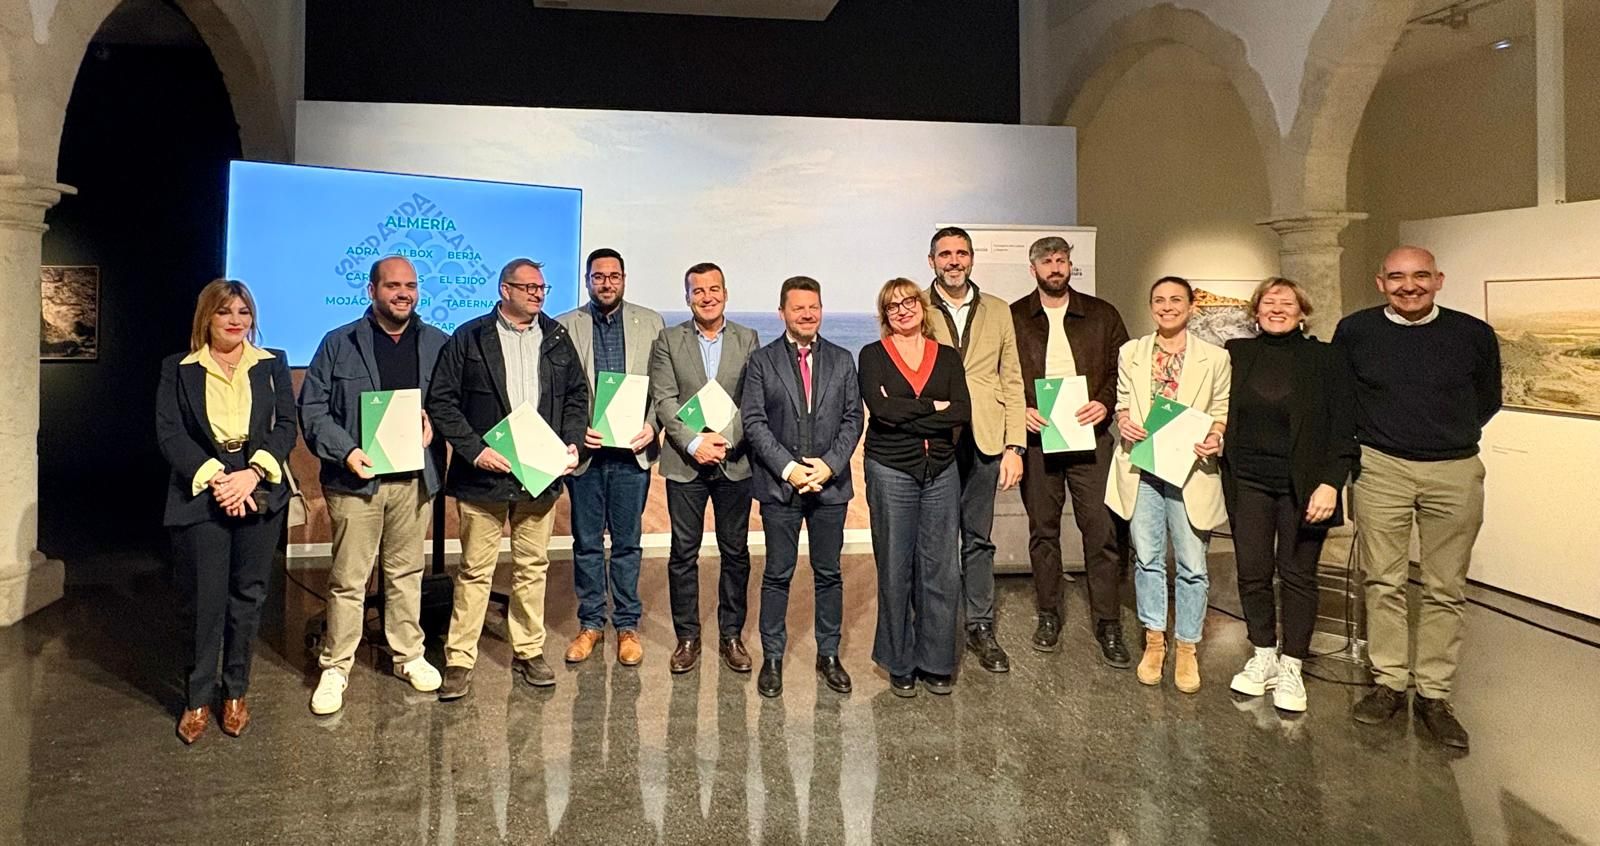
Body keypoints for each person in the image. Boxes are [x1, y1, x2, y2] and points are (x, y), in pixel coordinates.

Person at [1335, 246, 1500, 750]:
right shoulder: (1356, 331)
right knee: (1382, 579)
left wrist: (1445, 436)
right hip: (1381, 466)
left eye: (1421, 276)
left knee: (1444, 585)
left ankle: (1433, 692)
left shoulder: (1472, 334)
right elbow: (1342, 396)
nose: (1410, 286)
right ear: (1380, 281)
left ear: (1439, 280)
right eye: (1398, 277)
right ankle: (1388, 681)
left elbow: (1488, 397)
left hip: (1453, 469)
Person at [425, 257, 587, 701]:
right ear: (505, 290)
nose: (537, 294)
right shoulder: (470, 337)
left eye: (542, 287)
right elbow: (442, 401)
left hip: (540, 476)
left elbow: (577, 396)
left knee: (533, 568)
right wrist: (476, 452)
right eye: (529, 287)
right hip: (485, 477)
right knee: (476, 570)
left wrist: (572, 442)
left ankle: (529, 650)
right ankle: (459, 659)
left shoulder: (556, 337)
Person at [297, 255, 449, 715]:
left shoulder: (439, 343)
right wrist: (346, 450)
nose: (403, 293)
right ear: (372, 290)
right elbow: (314, 410)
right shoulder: (338, 343)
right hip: (355, 482)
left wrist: (434, 426)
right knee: (349, 579)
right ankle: (336, 665)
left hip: (413, 482)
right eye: (393, 285)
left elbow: (451, 404)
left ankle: (409, 654)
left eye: (411, 285)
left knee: (407, 574)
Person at [156, 279, 296, 744]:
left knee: (247, 597)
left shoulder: (272, 364)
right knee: (203, 600)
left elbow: (286, 427)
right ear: (207, 317)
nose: (236, 320)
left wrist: (252, 475)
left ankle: (235, 692)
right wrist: (220, 478)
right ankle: (197, 698)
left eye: (243, 312)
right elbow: (171, 435)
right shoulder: (178, 368)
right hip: (203, 488)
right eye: (225, 312)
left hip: (257, 483)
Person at [1222, 278, 1357, 713]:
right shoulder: (1237, 354)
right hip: (1249, 483)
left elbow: (1343, 427)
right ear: (1255, 310)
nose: (1276, 309)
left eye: (1287, 302)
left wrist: (1331, 482)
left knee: (1298, 575)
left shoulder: (1325, 358)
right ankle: (1262, 654)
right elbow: (1216, 409)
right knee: (1252, 572)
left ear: (1303, 311)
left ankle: (1293, 664)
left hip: (1305, 487)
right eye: (1268, 302)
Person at [1010, 237, 1132, 666]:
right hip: (1038, 440)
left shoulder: (1102, 314)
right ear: (1033, 269)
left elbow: (1124, 368)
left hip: (1090, 438)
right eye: (1046, 261)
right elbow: (1001, 373)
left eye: (1061, 259)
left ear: (1070, 265)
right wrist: (1019, 410)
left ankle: (1109, 623)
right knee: (1043, 532)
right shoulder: (1014, 318)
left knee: (1101, 532)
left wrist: (1106, 400)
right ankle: (1048, 614)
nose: (1055, 267)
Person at [740, 275, 863, 698]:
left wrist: (828, 466)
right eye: (798, 308)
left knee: (829, 573)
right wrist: (789, 469)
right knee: (777, 573)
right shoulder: (761, 361)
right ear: (782, 313)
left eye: (814, 307)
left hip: (830, 487)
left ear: (821, 310)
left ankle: (828, 654)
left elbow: (853, 419)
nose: (807, 314)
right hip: (781, 488)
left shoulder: (844, 360)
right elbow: (753, 422)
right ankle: (772, 656)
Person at [1106, 276, 1230, 693]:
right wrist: (1123, 420)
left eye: (1176, 299)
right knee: (1147, 559)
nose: (1167, 306)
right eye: (1159, 300)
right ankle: (1154, 641)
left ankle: (1188, 647)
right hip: (1142, 467)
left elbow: (1221, 410)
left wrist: (1216, 436)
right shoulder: (1132, 352)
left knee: (1193, 565)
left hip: (1192, 470)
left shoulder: (1215, 358)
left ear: (1192, 306)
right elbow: (1122, 402)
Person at [859, 279, 971, 697]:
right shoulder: (873, 355)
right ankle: (899, 661)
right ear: (885, 316)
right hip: (891, 469)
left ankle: (937, 660)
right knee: (895, 567)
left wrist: (915, 413)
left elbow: (962, 410)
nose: (902, 310)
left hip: (941, 470)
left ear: (922, 308)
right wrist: (933, 408)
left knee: (941, 568)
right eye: (892, 306)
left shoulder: (947, 357)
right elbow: (883, 411)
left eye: (909, 303)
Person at [647, 262, 761, 674]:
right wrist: (695, 443)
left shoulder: (748, 339)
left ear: (726, 294)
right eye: (698, 291)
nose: (707, 297)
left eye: (714, 289)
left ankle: (732, 635)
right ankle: (687, 638)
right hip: (685, 463)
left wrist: (725, 441)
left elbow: (753, 400)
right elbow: (664, 399)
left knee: (736, 553)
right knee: (683, 554)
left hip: (735, 461)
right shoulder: (667, 340)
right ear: (688, 297)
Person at [556, 248, 665, 668]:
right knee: (585, 544)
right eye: (598, 276)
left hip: (631, 454)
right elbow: (561, 391)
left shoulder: (650, 322)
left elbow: (663, 384)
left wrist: (653, 426)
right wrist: (572, 433)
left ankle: (627, 625)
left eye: (613, 276)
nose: (606, 283)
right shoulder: (566, 326)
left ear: (624, 279)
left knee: (627, 544)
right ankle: (589, 625)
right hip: (588, 453)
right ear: (587, 280)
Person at [925, 227, 1027, 674]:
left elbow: (1012, 378)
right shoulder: (917, 308)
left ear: (971, 259)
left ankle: (981, 626)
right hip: (935, 440)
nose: (954, 260)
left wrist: (1015, 445)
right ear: (931, 261)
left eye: (961, 253)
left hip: (986, 438)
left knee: (979, 540)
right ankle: (936, 627)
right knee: (936, 541)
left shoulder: (999, 310)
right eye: (944, 254)